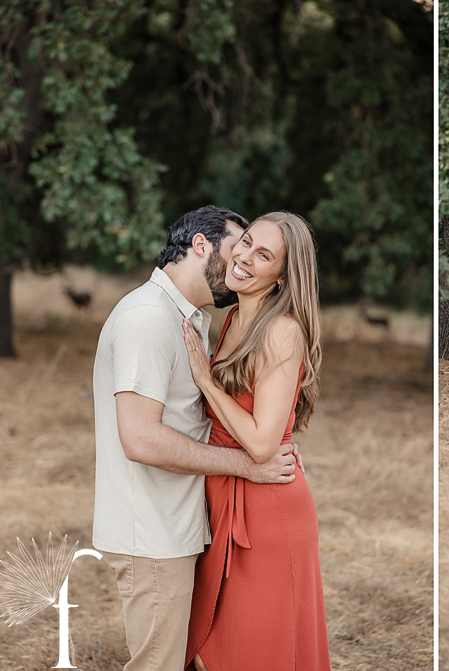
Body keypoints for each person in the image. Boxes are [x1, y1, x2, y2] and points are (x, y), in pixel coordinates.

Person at [93, 206, 300, 671]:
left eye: (256, 252)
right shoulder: (147, 318)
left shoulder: (188, 320)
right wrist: (249, 465)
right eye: (237, 248)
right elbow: (141, 439)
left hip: (180, 526)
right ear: (201, 247)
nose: (240, 263)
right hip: (151, 531)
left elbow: (197, 418)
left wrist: (262, 434)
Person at [183, 212, 330, 671]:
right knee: (220, 644)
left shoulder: (283, 332)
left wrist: (206, 382)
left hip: (268, 511)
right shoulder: (230, 320)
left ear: (283, 274)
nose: (244, 256)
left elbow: (264, 444)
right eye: (245, 242)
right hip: (224, 496)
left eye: (263, 254)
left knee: (259, 649)